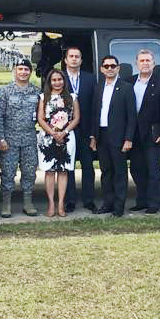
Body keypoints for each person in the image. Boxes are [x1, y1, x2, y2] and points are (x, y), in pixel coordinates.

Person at [89, 54, 136, 217]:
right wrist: (93, 136)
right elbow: (95, 113)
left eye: (113, 66)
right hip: (101, 135)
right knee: (106, 171)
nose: (110, 69)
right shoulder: (98, 87)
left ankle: (119, 207)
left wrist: (128, 139)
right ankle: (107, 203)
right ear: (102, 69)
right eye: (106, 66)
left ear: (118, 68)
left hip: (119, 137)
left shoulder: (126, 87)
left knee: (119, 172)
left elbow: (131, 116)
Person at [126, 49, 160, 214]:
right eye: (142, 60)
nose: (145, 63)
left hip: (153, 133)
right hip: (134, 134)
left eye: (148, 60)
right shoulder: (129, 82)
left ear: (153, 63)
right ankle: (142, 200)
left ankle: (154, 203)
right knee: (136, 169)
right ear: (136, 63)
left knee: (153, 170)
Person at [0, 59, 41, 218]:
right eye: (20, 69)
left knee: (29, 172)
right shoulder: (5, 91)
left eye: (26, 69)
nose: (23, 72)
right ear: (15, 71)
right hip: (9, 139)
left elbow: (42, 115)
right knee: (8, 172)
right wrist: (1, 138)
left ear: (30, 72)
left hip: (29, 138)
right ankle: (6, 204)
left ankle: (28, 203)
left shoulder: (37, 92)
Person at [37, 68, 80, 217]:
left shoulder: (72, 97)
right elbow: (40, 118)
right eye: (54, 80)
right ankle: (51, 203)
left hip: (66, 137)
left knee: (63, 171)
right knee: (49, 171)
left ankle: (61, 203)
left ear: (64, 81)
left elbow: (76, 118)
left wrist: (64, 132)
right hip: (48, 138)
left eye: (59, 79)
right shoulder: (44, 97)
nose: (57, 82)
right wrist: (52, 133)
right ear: (49, 82)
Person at [61, 46, 97, 213]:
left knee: (88, 165)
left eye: (77, 56)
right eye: (71, 56)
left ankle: (89, 200)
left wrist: (93, 134)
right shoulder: (58, 79)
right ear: (66, 60)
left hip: (85, 130)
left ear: (81, 60)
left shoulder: (90, 79)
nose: (74, 59)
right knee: (68, 166)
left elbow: (95, 107)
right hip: (65, 129)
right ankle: (70, 201)